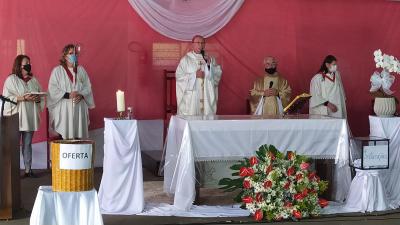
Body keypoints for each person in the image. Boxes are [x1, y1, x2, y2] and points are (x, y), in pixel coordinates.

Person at [2, 55, 44, 177]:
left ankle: (28, 170)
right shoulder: (11, 80)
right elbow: (6, 98)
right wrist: (23, 98)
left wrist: (36, 99)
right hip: (17, 117)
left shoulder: (33, 80)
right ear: (19, 65)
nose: (28, 65)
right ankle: (13, 172)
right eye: (26, 63)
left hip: (30, 117)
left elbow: (41, 97)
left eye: (29, 63)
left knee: (27, 144)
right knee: (14, 145)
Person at [47, 44, 95, 139]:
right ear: (65, 56)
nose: (74, 55)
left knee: (78, 139)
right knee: (65, 139)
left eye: (75, 53)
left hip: (79, 108)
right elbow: (52, 89)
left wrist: (81, 95)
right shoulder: (58, 71)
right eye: (71, 53)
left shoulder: (81, 70)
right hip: (64, 109)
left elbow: (88, 86)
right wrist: (67, 95)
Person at [175, 35, 222, 116]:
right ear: (192, 44)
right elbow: (179, 76)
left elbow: (217, 74)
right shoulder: (186, 59)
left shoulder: (210, 59)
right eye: (198, 43)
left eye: (202, 43)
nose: (200, 45)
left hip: (206, 94)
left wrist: (208, 66)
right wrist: (194, 75)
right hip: (192, 96)